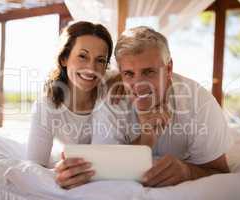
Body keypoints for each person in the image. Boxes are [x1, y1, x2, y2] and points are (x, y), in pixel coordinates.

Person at [92, 26, 232, 187]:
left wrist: (187, 172)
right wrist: (145, 139)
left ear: (169, 69)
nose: (139, 85)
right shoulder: (112, 101)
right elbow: (104, 168)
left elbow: (220, 170)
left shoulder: (200, 102)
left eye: (149, 72)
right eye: (129, 74)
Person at [27, 21, 113, 189]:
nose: (91, 68)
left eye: (100, 60)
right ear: (64, 58)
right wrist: (60, 176)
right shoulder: (46, 105)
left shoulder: (110, 91)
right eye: (82, 56)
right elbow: (34, 165)